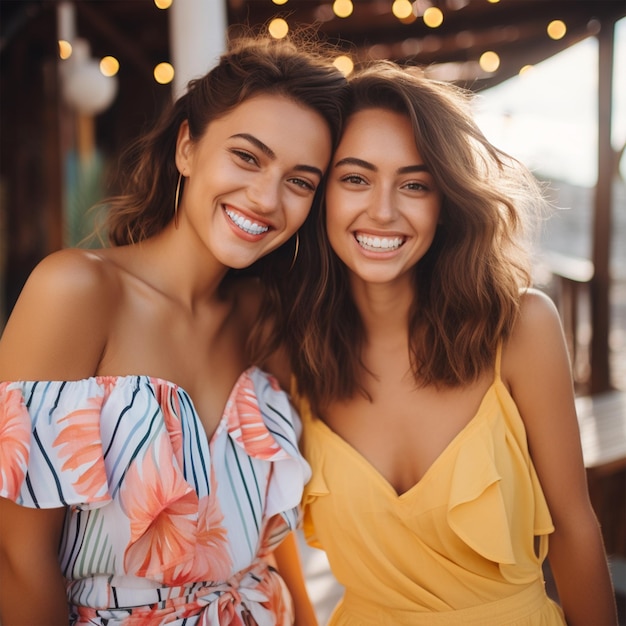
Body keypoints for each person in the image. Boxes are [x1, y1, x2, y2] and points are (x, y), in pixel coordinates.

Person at [0, 32, 348, 625]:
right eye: (247, 156)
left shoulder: (268, 317)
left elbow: (265, 529)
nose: (266, 197)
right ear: (187, 148)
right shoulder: (78, 293)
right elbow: (14, 556)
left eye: (300, 181)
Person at [276, 61, 618, 625]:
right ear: (319, 195)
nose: (383, 210)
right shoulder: (291, 347)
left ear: (446, 202)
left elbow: (575, 528)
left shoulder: (520, 327)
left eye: (414, 185)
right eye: (355, 178)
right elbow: (267, 525)